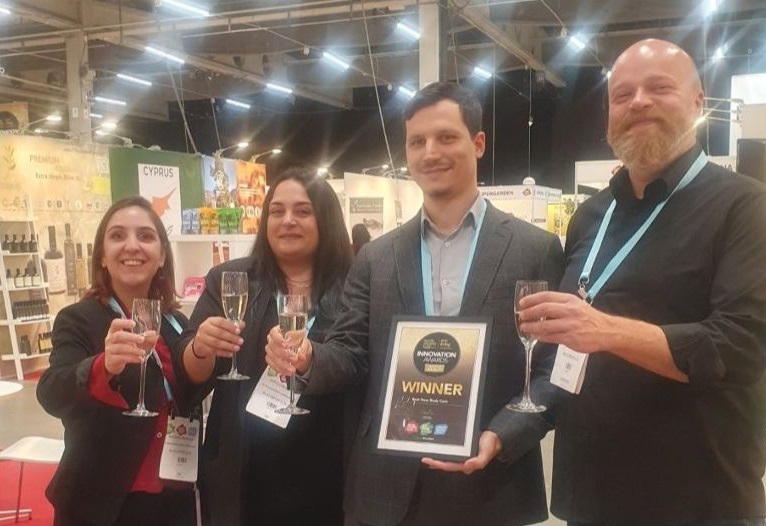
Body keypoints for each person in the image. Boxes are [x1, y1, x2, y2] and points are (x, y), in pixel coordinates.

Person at [517, 39, 766, 526]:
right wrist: (506, 428)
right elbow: (565, 360)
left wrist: (606, 331)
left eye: (659, 88)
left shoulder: (746, 208)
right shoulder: (590, 216)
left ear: (698, 103)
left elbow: (743, 346)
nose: (638, 102)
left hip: (697, 504)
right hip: (591, 501)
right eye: (621, 95)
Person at [266, 82, 564, 526]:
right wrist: (308, 358)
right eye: (417, 142)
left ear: (478, 143)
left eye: (446, 137)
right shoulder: (376, 257)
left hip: (492, 486)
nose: (430, 153)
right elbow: (350, 353)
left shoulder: (534, 249)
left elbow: (554, 368)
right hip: (387, 489)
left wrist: (504, 433)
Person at [179, 166, 353, 526]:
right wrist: (200, 348)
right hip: (243, 471)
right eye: (277, 211)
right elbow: (190, 373)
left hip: (327, 470)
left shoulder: (353, 286)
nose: (288, 220)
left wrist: (312, 359)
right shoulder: (231, 279)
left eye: (303, 211)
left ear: (326, 219)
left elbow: (358, 360)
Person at [37, 196, 199, 526]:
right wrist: (103, 367)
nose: (132, 246)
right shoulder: (77, 319)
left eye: (146, 236)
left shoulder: (175, 322)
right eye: (117, 235)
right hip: (102, 505)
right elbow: (51, 393)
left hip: (172, 498)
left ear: (162, 255)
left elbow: (191, 392)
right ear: (102, 256)